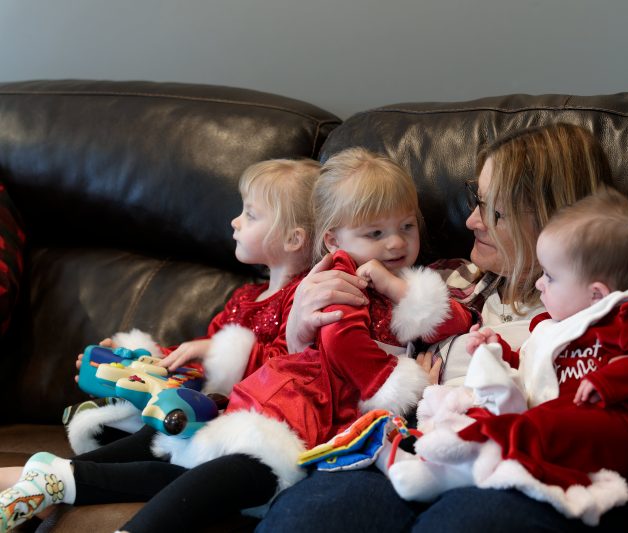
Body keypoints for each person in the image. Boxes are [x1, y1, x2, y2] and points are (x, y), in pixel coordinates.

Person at [0, 148, 473, 533]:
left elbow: (448, 319)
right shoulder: (326, 285)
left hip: (285, 415)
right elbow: (336, 347)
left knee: (202, 463)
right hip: (273, 410)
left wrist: (401, 296)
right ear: (333, 240)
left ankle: (56, 478)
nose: (396, 243)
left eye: (407, 227)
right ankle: (53, 477)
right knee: (184, 448)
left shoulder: (378, 284)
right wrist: (154, 361)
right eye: (376, 233)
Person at [261, 123, 628, 531]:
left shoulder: (621, 298)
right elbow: (339, 373)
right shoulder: (443, 279)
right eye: (475, 201)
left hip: (522, 465)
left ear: (554, 215)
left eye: (493, 210)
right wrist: (298, 335)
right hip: (407, 445)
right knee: (310, 515)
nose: (470, 221)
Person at [0, 157, 321, 532]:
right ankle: (47, 479)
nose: (235, 222)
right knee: (153, 432)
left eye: (250, 215)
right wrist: (142, 363)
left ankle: (45, 478)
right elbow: (196, 359)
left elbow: (293, 366)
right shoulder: (245, 298)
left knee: (167, 440)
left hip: (248, 430)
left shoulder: (302, 301)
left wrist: (219, 351)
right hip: (200, 414)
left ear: (293, 239)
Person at [386, 187, 628, 526]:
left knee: (544, 423)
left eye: (549, 276)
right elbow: (533, 372)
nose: (539, 284)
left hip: (624, 438)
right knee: (523, 420)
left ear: (596, 294)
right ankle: (447, 461)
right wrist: (499, 352)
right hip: (561, 436)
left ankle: (454, 469)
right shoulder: (550, 329)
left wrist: (609, 382)